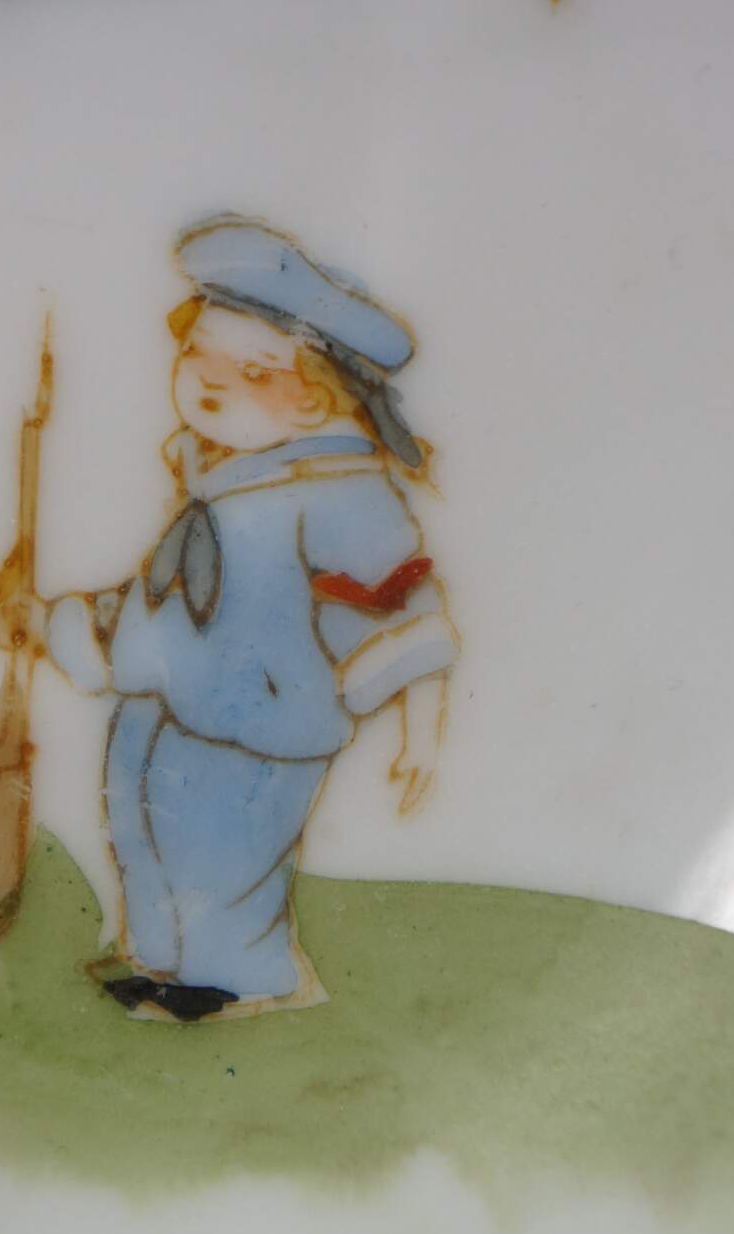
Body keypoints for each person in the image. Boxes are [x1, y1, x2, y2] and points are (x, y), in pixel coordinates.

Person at [40, 216, 457, 1022]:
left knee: (227, 853)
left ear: (319, 395)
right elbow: (168, 586)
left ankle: (243, 977)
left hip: (262, 723)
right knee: (143, 825)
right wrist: (71, 623)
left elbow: (402, 609)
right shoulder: (218, 479)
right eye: (198, 352)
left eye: (255, 371)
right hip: (167, 698)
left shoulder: (343, 495)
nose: (210, 381)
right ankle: (161, 962)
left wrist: (422, 729)